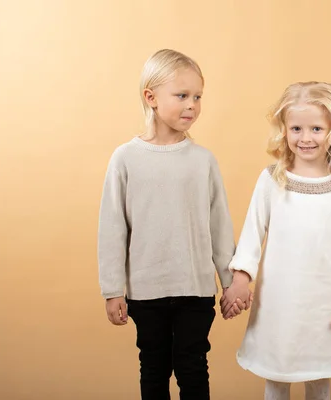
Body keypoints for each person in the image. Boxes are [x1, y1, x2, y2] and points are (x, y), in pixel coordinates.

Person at [98, 48, 249, 400]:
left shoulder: (202, 161)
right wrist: (112, 289)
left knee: (193, 367)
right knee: (153, 367)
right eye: (182, 95)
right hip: (145, 291)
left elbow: (219, 227)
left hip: (194, 290)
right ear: (151, 97)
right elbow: (112, 229)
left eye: (197, 97)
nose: (192, 105)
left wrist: (229, 281)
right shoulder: (125, 159)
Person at [221, 81, 331, 400]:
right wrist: (240, 280)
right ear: (284, 129)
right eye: (296, 128)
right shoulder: (272, 180)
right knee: (278, 376)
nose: (305, 138)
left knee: (317, 378)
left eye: (316, 128)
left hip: (321, 306)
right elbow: (251, 236)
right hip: (277, 302)